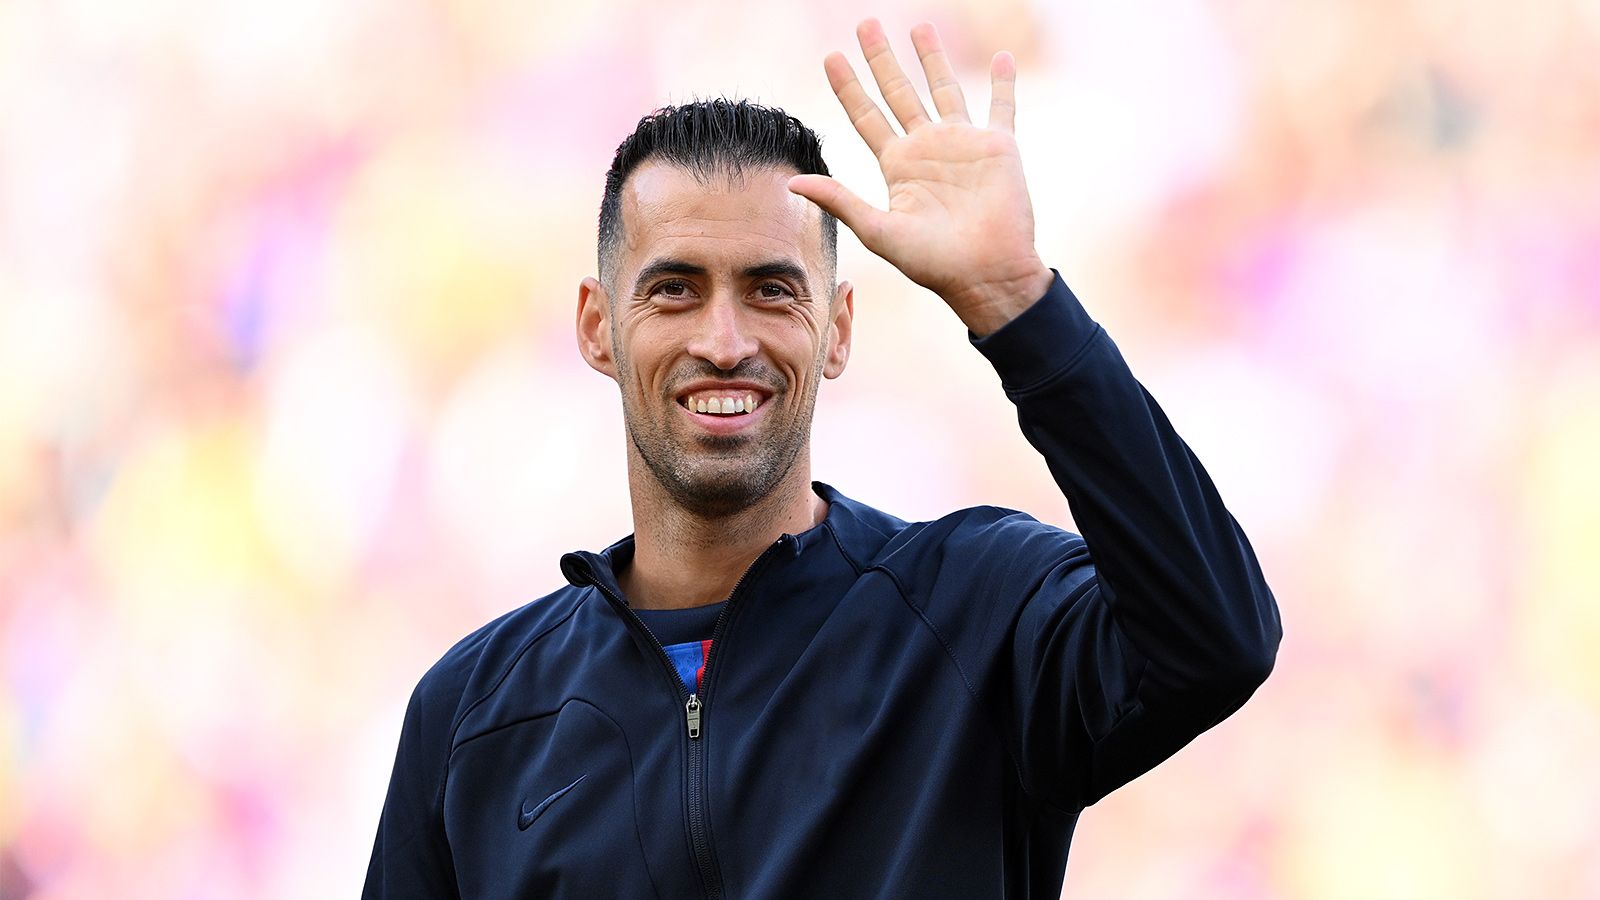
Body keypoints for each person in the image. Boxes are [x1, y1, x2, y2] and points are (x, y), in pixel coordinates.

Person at [363, 18, 1281, 899]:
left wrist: (1017, 304)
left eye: (771, 290)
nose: (725, 342)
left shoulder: (977, 611)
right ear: (599, 328)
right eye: (675, 289)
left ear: (837, 330)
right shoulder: (472, 713)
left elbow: (1214, 642)